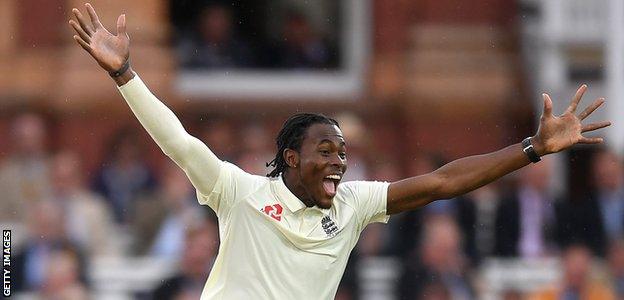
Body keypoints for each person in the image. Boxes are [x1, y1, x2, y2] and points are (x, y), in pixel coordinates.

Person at [68, 3, 611, 299]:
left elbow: (443, 182)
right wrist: (125, 73)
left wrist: (531, 149)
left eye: (342, 152)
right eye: (325, 151)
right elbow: (178, 142)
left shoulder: (352, 204)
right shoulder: (238, 192)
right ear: (289, 158)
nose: (339, 161)